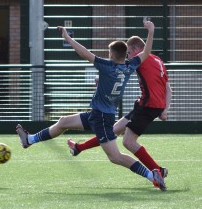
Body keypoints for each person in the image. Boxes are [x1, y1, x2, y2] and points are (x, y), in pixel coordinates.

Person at [16, 20, 166, 191]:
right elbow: (146, 52)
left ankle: (152, 175)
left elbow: (84, 52)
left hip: (102, 117)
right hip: (98, 114)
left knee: (115, 157)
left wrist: (67, 37)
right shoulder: (130, 65)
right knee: (63, 122)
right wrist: (151, 32)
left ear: (111, 55)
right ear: (125, 55)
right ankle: (29, 140)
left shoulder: (107, 66)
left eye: (108, 52)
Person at [68, 35, 172, 179]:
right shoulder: (158, 60)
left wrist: (104, 77)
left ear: (136, 49)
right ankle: (79, 147)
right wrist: (165, 109)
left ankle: (157, 170)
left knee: (128, 142)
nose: (127, 56)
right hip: (147, 105)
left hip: (147, 106)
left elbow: (118, 68)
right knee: (114, 130)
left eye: (128, 53)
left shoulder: (141, 59)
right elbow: (168, 89)